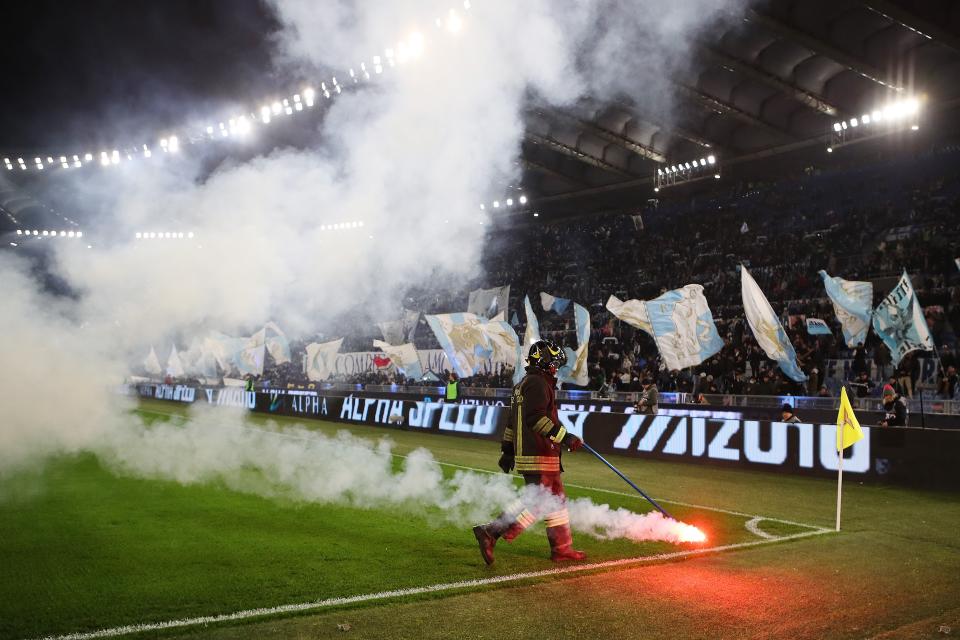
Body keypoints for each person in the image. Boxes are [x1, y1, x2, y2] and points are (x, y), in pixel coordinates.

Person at [473, 339, 585, 565]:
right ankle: (491, 532)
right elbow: (536, 419)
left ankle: (562, 549)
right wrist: (565, 437)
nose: (555, 368)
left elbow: (511, 423)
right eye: (553, 363)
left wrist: (507, 451)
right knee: (538, 501)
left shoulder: (522, 384)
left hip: (535, 453)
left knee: (555, 500)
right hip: (539, 453)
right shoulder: (539, 384)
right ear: (543, 362)